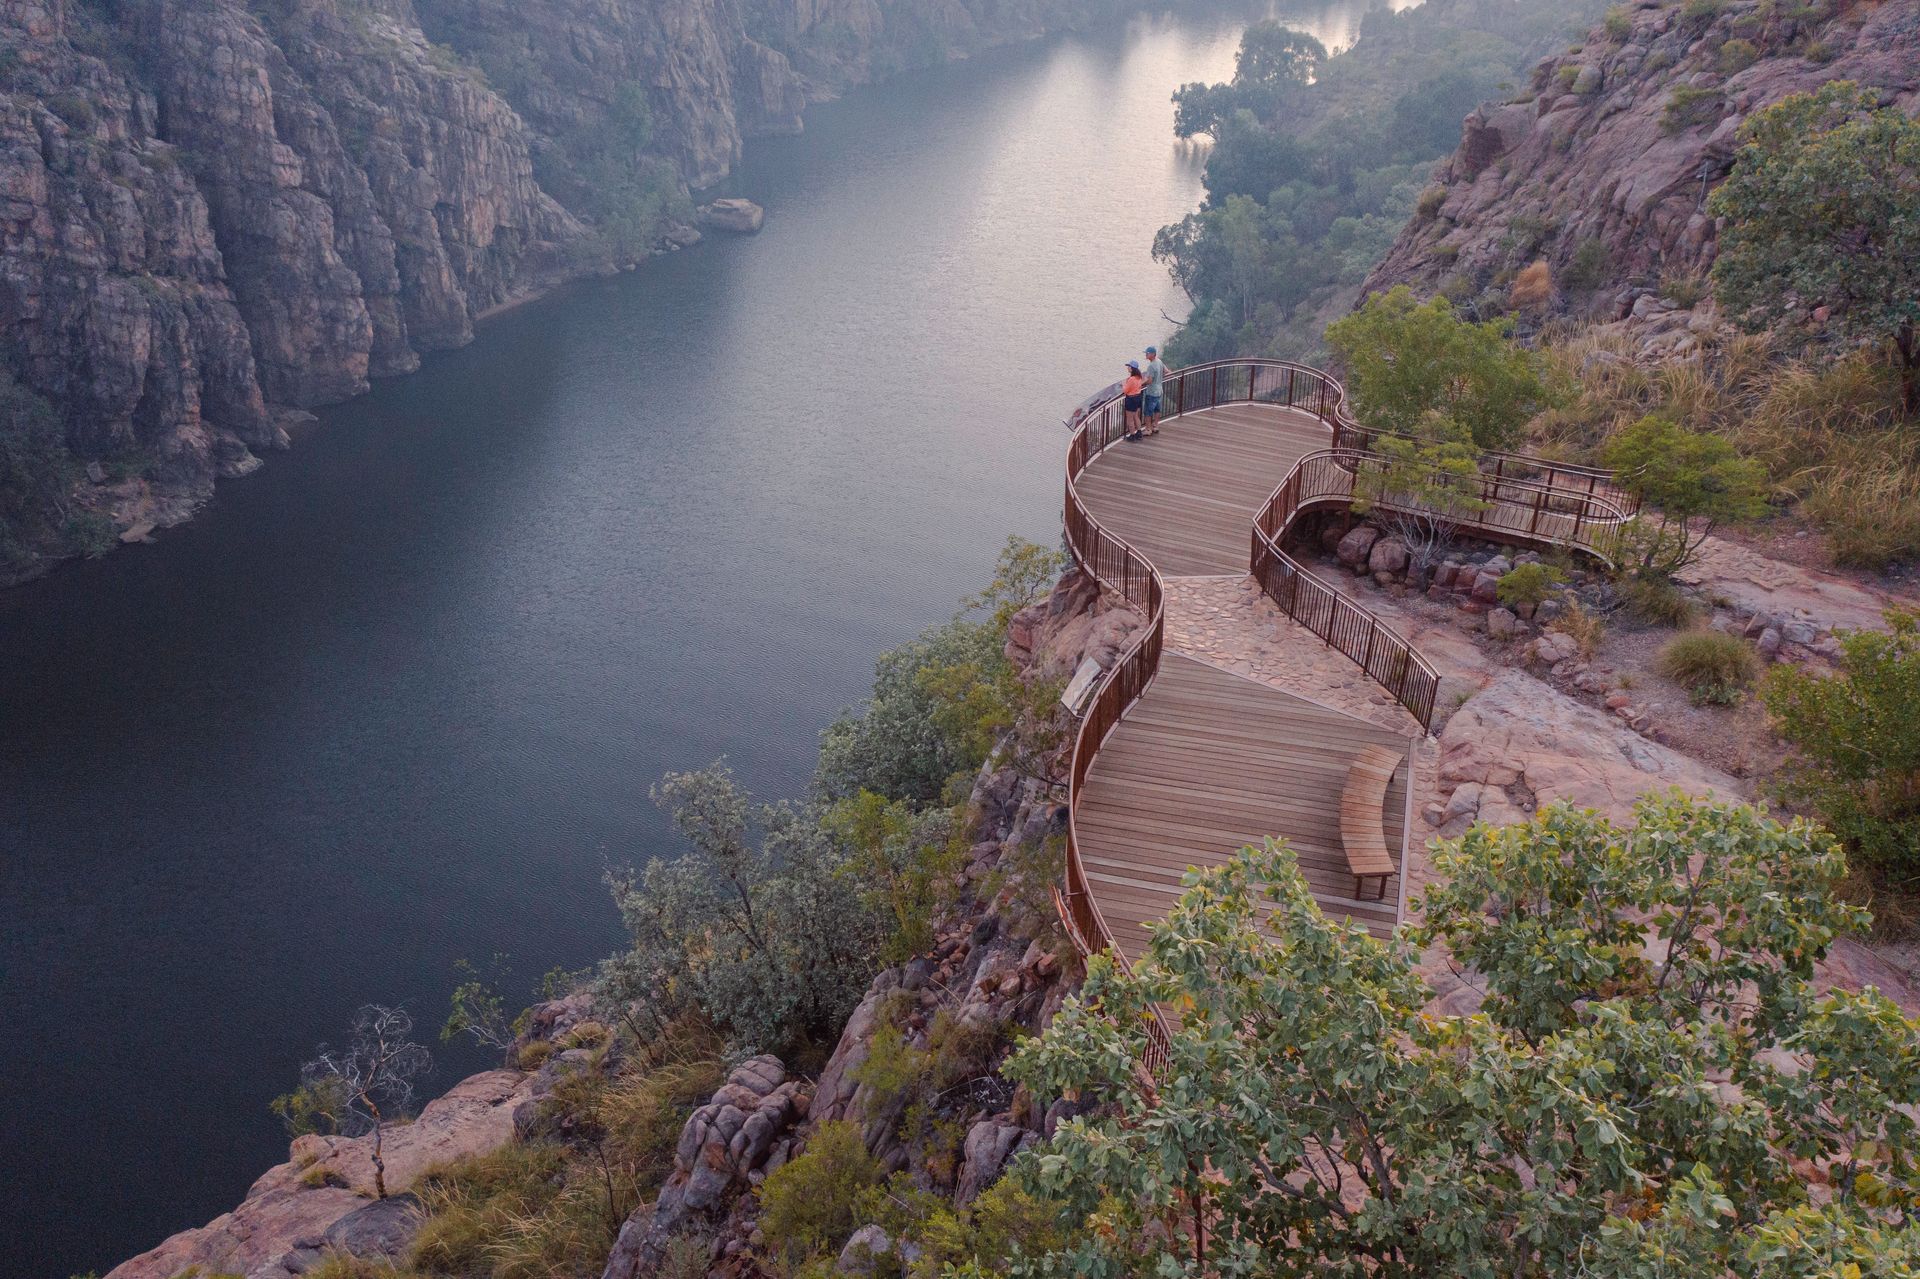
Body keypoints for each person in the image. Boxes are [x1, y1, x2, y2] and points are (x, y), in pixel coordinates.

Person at [1141, 344, 1168, 437]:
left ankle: (1148, 429)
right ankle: (1156, 426)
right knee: (1157, 409)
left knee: (1148, 412)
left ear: (1153, 354)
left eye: (1147, 353)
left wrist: (1141, 384)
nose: (1146, 355)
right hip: (1159, 390)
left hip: (1152, 392)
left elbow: (1150, 381)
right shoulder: (1159, 361)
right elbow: (1166, 371)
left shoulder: (1151, 366)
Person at [1121, 361, 1146, 439]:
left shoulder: (1131, 379)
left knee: (1130, 419)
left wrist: (1123, 384)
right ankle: (1139, 433)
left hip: (1131, 399)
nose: (1128, 368)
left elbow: (1125, 391)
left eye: (1129, 366)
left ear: (1132, 368)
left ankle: (1132, 435)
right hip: (1138, 398)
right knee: (1136, 416)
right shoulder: (1139, 377)